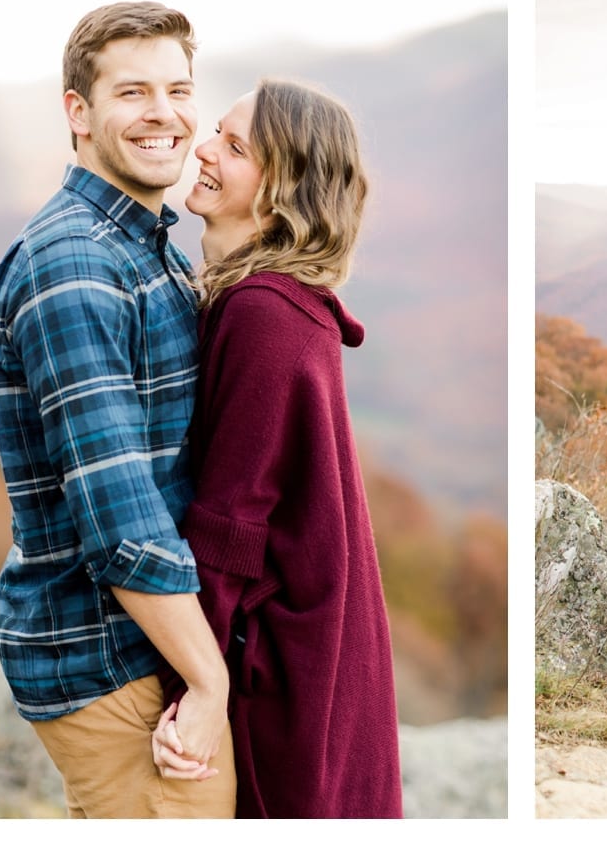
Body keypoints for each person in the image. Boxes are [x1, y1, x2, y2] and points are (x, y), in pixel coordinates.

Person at [0, 1, 234, 818]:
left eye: (178, 89)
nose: (164, 114)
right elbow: (121, 518)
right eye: (133, 93)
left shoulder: (145, 244)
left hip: (138, 645)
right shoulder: (76, 263)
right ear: (78, 113)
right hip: (112, 656)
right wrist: (208, 677)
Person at [149, 79, 404, 817]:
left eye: (233, 145)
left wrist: (190, 688)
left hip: (286, 670)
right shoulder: (272, 299)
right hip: (321, 651)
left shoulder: (263, 314)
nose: (203, 149)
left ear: (283, 186)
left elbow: (231, 527)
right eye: (217, 134)